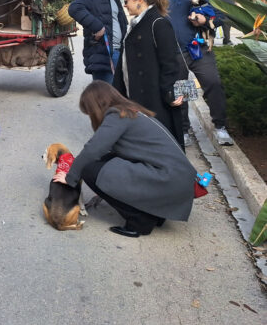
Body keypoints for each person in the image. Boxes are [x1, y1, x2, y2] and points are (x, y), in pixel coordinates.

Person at [53, 81, 197, 238]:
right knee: (103, 163)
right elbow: (107, 151)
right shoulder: (130, 111)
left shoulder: (117, 116)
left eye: (89, 112)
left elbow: (93, 149)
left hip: (169, 179)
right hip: (177, 179)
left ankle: (140, 220)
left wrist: (70, 177)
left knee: (90, 170)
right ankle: (153, 213)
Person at [160, 0, 233, 146]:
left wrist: (205, 20)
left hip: (200, 50)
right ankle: (183, 130)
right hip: (175, 53)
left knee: (213, 84)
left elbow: (220, 16)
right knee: (182, 91)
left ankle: (221, 128)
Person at [114, 0, 184, 147]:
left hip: (154, 97)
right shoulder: (137, 22)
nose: (125, 5)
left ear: (140, 0)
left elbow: (170, 62)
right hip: (136, 94)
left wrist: (169, 92)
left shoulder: (158, 22)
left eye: (127, 0)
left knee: (159, 141)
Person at [68, 0, 127, 84]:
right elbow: (74, 8)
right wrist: (98, 27)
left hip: (119, 53)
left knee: (117, 98)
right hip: (103, 55)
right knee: (106, 99)